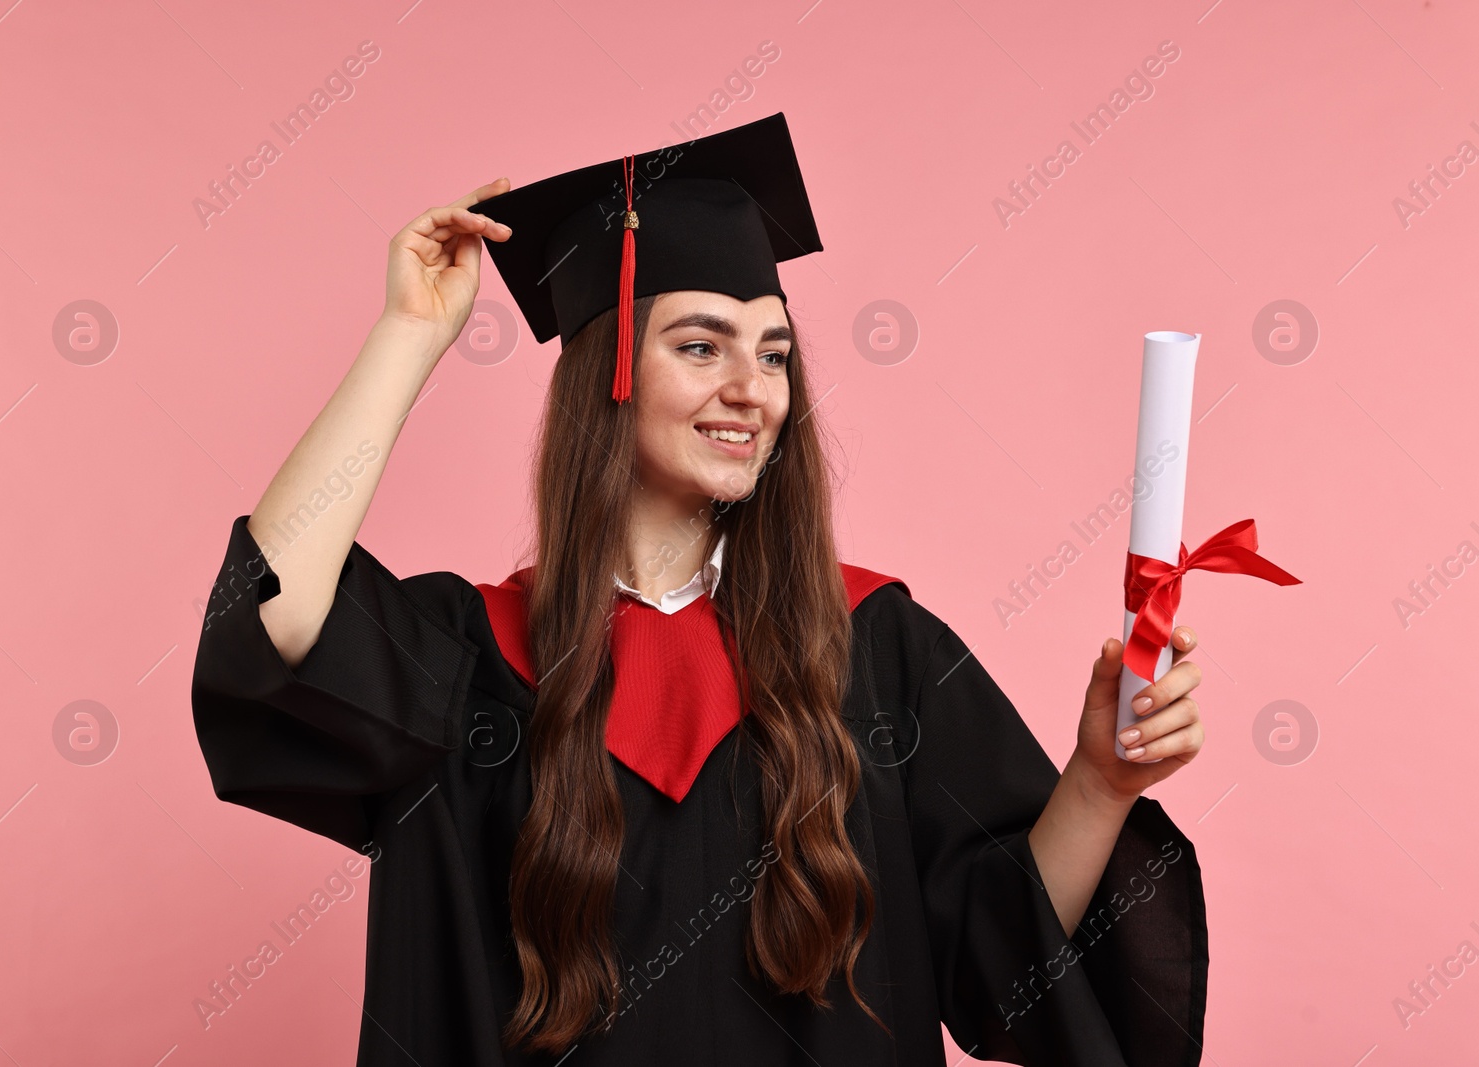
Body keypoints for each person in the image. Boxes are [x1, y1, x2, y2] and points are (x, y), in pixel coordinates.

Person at [190, 112, 1209, 1066]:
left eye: (773, 354)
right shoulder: (477, 659)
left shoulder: (872, 645)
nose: (751, 388)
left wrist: (1099, 780)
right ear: (609, 376)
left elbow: (1002, 961)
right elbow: (270, 620)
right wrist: (408, 334)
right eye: (699, 344)